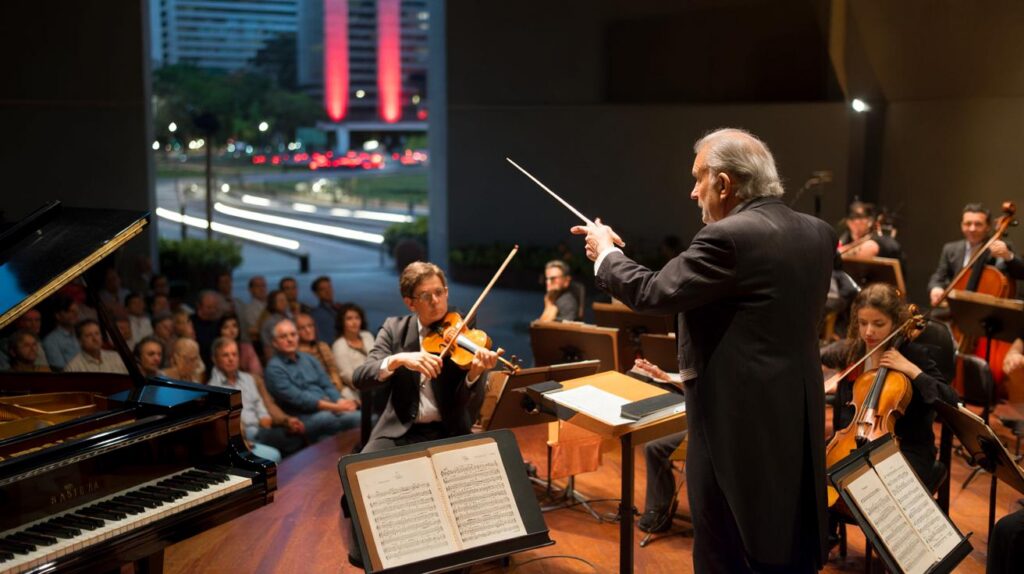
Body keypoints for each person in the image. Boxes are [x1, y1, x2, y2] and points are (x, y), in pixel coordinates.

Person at [570, 128, 835, 572]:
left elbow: (656, 293)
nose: (693, 192)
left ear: (725, 183)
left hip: (735, 419)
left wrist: (604, 256)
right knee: (783, 537)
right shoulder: (817, 233)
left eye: (698, 179)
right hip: (796, 410)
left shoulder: (729, 238)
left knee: (724, 547)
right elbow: (746, 307)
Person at [352, 262, 498, 453]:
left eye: (439, 292)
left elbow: (464, 403)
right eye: (425, 296)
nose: (435, 300)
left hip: (449, 430)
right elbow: (360, 377)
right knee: (365, 469)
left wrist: (474, 375)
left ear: (446, 292)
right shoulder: (394, 329)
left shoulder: (462, 325)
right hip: (401, 432)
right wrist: (398, 360)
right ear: (410, 303)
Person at [820, 283, 958, 485]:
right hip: (849, 444)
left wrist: (911, 370)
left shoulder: (912, 355)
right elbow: (819, 356)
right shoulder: (854, 352)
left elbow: (950, 400)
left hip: (903, 449)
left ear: (895, 323)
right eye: (863, 323)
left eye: (878, 324)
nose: (869, 332)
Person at [208, 337, 305, 461]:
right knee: (289, 441)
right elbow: (225, 423)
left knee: (295, 434)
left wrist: (281, 419)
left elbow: (264, 403)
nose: (231, 359)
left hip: (263, 427)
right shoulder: (213, 388)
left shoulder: (249, 379)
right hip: (244, 434)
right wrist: (242, 439)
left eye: (234, 354)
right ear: (215, 360)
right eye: (225, 355)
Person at [264, 319, 360, 442]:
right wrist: (337, 407)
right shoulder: (274, 368)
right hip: (302, 417)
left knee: (362, 416)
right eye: (283, 336)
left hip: (330, 408)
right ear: (275, 343)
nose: (290, 339)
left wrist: (340, 401)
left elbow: (327, 385)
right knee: (333, 419)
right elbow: (301, 399)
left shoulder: (309, 359)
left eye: (293, 335)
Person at [927, 203, 1024, 306]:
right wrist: (936, 288)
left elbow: (1021, 273)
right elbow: (939, 276)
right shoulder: (950, 249)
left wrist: (1008, 255)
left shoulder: (1002, 247)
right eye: (968, 224)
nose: (972, 229)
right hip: (955, 308)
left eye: (978, 224)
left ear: (988, 227)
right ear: (962, 225)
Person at [631, 358, 686, 534]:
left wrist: (664, 377)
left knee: (655, 447)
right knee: (636, 378)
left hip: (720, 422)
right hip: (696, 408)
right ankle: (660, 506)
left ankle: (659, 509)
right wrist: (659, 376)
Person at [331, 303, 374, 402]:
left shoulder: (367, 336)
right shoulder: (339, 345)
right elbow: (347, 376)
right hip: (359, 389)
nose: (354, 322)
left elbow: (379, 358)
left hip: (378, 378)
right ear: (342, 322)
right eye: (349, 319)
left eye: (357, 318)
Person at [295, 313, 346, 395]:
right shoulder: (295, 353)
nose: (308, 331)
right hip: (315, 393)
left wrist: (336, 387)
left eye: (310, 326)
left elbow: (334, 370)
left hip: (335, 389)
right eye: (302, 328)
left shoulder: (323, 346)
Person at [837, 201, 902, 260]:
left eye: (861, 222)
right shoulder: (843, 239)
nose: (857, 227)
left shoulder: (877, 241)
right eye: (853, 222)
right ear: (848, 222)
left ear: (869, 222)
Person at [65, 319, 129, 374]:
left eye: (97, 333)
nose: (95, 339)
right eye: (89, 335)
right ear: (79, 340)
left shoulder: (116, 358)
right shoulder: (73, 368)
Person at [43, 294, 81, 371]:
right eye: (70, 311)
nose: (75, 314)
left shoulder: (81, 334)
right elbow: (60, 369)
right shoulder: (51, 340)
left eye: (76, 311)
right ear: (58, 315)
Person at [192, 290, 223, 376]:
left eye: (215, 307)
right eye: (209, 307)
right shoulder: (190, 323)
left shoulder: (220, 323)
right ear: (199, 306)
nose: (212, 310)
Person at [259, 289, 292, 359]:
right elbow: (267, 349)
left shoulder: (291, 318)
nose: (284, 302)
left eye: (285, 299)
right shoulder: (269, 323)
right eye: (280, 300)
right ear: (273, 303)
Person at [310, 276, 341, 343]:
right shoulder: (316, 315)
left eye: (329, 287)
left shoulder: (341, 308)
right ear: (316, 294)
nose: (328, 291)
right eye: (323, 289)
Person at [241, 275, 268, 343]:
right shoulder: (248, 309)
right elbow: (252, 331)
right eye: (258, 286)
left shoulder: (270, 304)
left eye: (263, 285)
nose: (262, 289)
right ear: (251, 290)